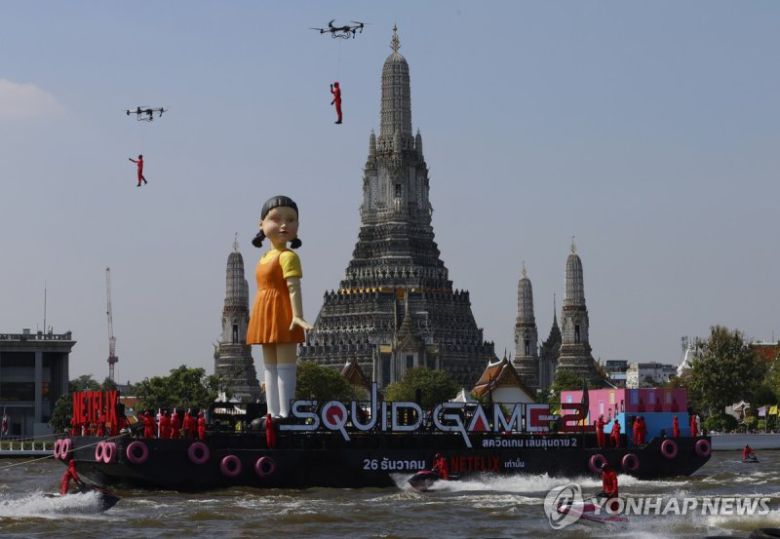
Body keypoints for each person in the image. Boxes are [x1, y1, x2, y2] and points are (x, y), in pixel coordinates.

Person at [247, 196, 313, 418]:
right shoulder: (265, 257)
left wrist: (298, 316)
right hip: (264, 310)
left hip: (283, 310)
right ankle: (272, 412)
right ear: (261, 224)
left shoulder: (288, 257)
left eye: (291, 219)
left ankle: (286, 413)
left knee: (285, 365)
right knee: (270, 367)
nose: (284, 224)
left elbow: (294, 288)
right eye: (276, 219)